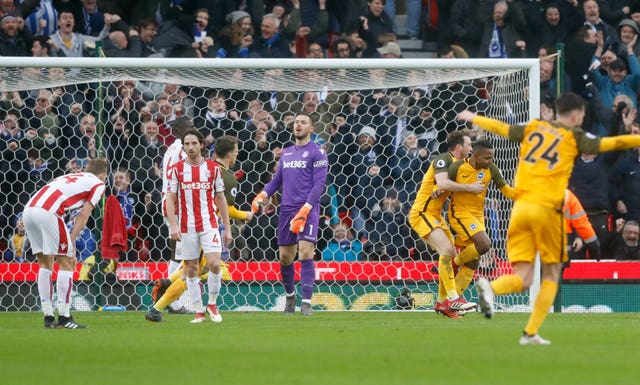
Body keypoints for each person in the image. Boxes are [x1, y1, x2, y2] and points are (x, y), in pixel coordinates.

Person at [458, 92, 640, 344]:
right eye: (583, 116)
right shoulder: (574, 135)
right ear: (576, 115)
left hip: (520, 210)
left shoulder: (534, 127)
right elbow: (607, 145)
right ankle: (530, 332)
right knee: (552, 275)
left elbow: (504, 128)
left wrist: (474, 116)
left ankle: (490, 288)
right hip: (546, 211)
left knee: (523, 279)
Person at [147, 136, 254, 321]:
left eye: (193, 143)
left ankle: (169, 291)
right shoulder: (226, 176)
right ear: (229, 154)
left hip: (207, 227)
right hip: (194, 226)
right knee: (193, 271)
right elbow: (225, 207)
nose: (237, 154)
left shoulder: (212, 169)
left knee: (201, 269)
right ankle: (159, 307)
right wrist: (245, 215)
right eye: (236, 150)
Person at [251, 112, 329, 316]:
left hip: (308, 209)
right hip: (286, 209)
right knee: (285, 258)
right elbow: (277, 180)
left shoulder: (318, 152)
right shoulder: (286, 153)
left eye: (303, 122)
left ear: (311, 129)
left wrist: (306, 208)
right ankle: (290, 297)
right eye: (296, 122)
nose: (299, 125)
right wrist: (262, 194)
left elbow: (319, 185)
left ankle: (306, 302)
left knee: (305, 251)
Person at [23, 157, 108, 329]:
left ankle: (48, 316)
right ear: (103, 176)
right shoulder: (98, 184)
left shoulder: (69, 177)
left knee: (45, 264)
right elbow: (84, 214)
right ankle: (64, 317)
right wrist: (72, 241)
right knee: (67, 262)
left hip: (29, 211)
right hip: (49, 212)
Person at [408, 130, 483, 318]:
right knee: (446, 251)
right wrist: (468, 188)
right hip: (422, 212)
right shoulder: (443, 158)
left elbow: (442, 184)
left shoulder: (460, 166)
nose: (471, 148)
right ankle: (452, 297)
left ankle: (443, 303)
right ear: (459, 147)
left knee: (450, 254)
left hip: (436, 215)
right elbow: (442, 181)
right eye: (468, 145)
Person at [446, 139, 515, 306]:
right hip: (459, 213)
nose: (490, 161)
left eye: (492, 158)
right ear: (475, 156)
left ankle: (452, 300)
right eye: (487, 158)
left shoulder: (491, 169)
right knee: (484, 244)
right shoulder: (457, 167)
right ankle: (452, 265)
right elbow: (444, 186)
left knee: (474, 259)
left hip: (477, 216)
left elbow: (505, 189)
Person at [159, 116, 193, 314]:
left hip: (174, 205)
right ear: (179, 131)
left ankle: (171, 298)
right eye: (189, 127)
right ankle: (172, 302)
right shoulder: (180, 151)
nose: (193, 129)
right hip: (176, 207)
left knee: (176, 253)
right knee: (181, 254)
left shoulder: (172, 148)